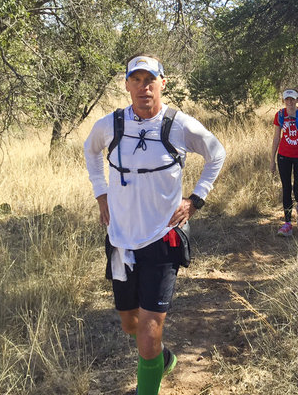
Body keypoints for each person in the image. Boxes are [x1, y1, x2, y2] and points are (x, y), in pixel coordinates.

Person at [83, 54, 226, 395]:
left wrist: (196, 199)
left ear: (163, 83)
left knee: (147, 335)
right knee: (130, 324)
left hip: (162, 239)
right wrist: (101, 193)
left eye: (150, 80)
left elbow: (216, 152)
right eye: (136, 80)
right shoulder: (111, 125)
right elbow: (90, 152)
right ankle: (162, 358)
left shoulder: (179, 125)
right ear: (127, 84)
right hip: (120, 240)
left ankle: (147, 382)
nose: (143, 87)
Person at [270, 89, 298, 236]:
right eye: (287, 99)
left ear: (297, 100)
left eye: (292, 99)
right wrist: (272, 160)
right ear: (284, 101)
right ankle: (287, 223)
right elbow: (276, 137)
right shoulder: (280, 115)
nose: (289, 102)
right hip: (284, 156)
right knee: (286, 188)